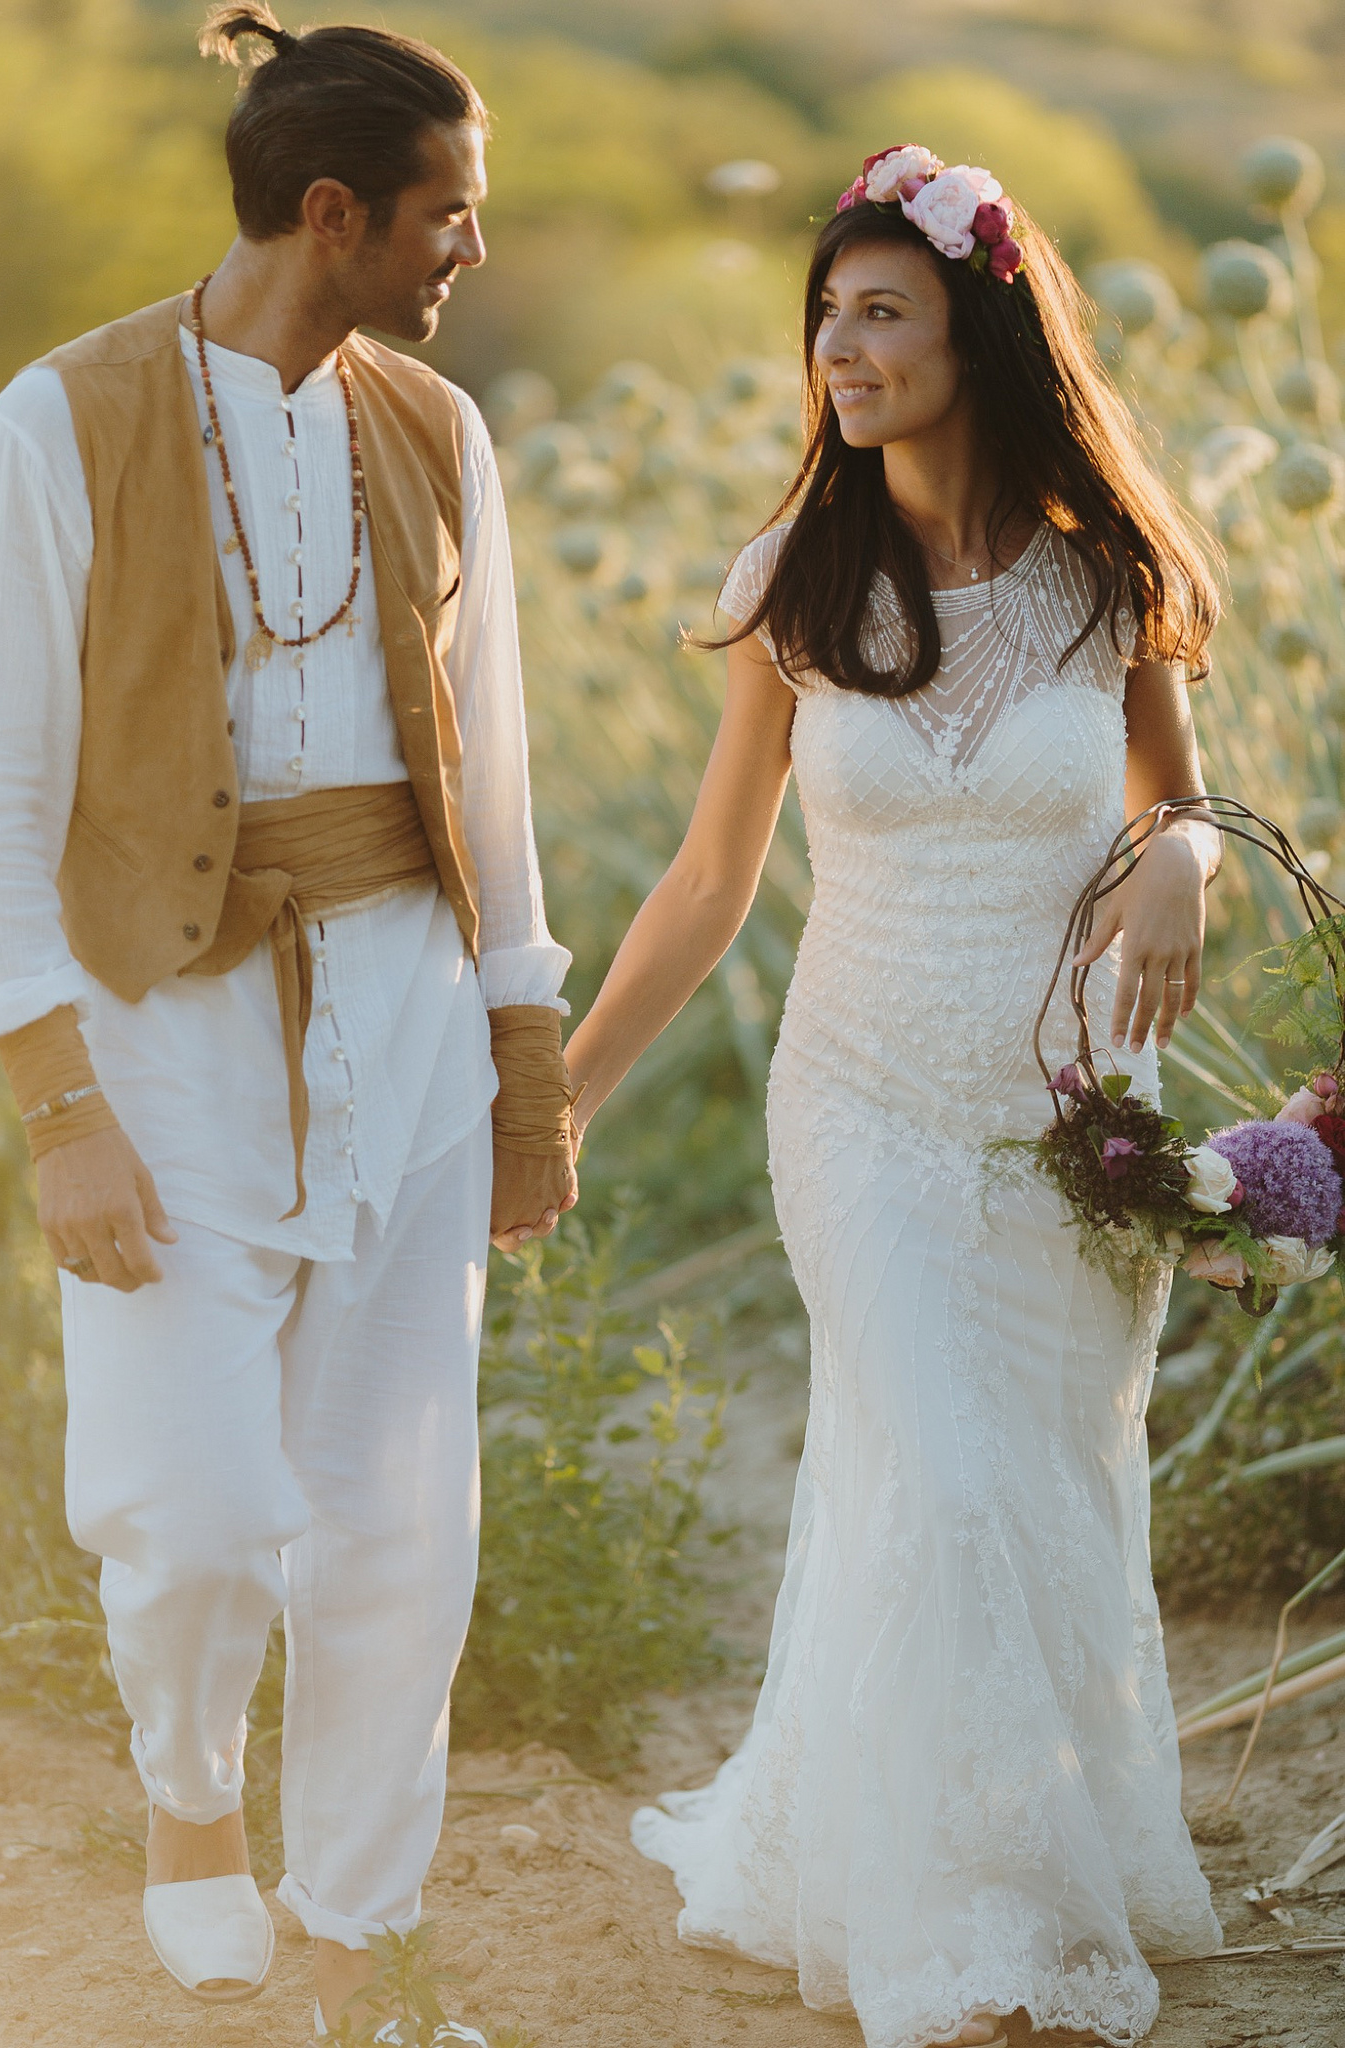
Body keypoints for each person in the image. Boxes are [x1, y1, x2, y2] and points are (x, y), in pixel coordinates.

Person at [563, 148, 1224, 2048]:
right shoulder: (793, 583)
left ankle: (1007, 1835)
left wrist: (1176, 856)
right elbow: (703, 885)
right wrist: (577, 1094)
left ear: (979, 330)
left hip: (1063, 1114)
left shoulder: (1113, 576)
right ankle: (971, 1935)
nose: (840, 351)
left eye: (881, 312)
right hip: (855, 1099)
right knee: (934, 1477)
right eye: (826, 318)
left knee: (1028, 1490)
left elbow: (1175, 806)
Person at [0, 7, 575, 2040]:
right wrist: (53, 1099)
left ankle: (356, 1926)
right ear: (332, 215)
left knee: (402, 1506)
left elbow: (489, 773)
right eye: (448, 217)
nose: (467, 254)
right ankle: (183, 1804)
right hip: (158, 1034)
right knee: (202, 1508)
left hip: (406, 1026)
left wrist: (523, 1058)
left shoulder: (439, 430)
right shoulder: (51, 429)